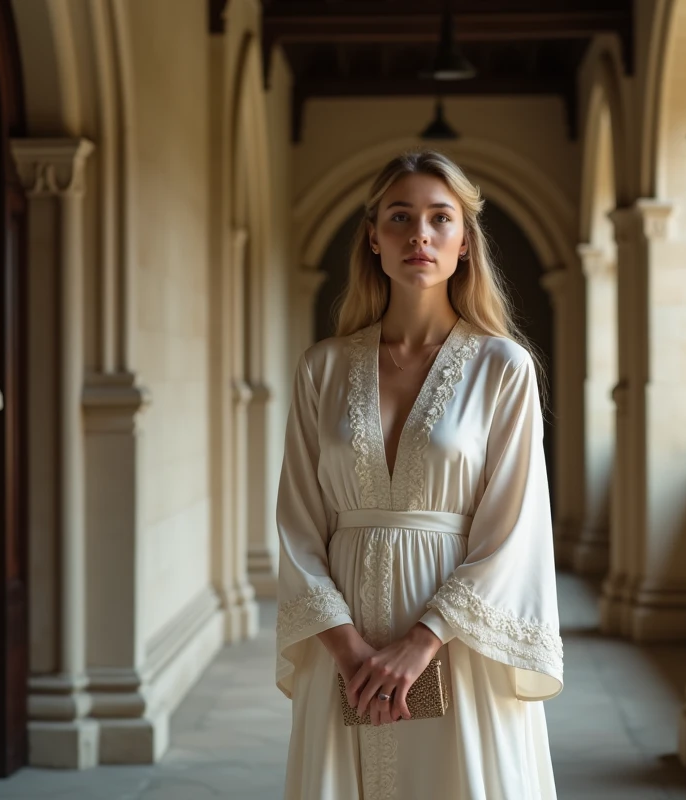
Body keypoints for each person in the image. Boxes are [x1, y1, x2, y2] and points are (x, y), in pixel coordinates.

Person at [275, 150, 563, 799]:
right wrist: (350, 653)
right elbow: (297, 522)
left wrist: (420, 642)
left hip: (459, 642)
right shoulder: (321, 369)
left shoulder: (503, 368)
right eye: (400, 217)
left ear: (465, 242)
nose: (420, 235)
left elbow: (513, 527)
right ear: (373, 237)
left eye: (441, 218)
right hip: (342, 642)